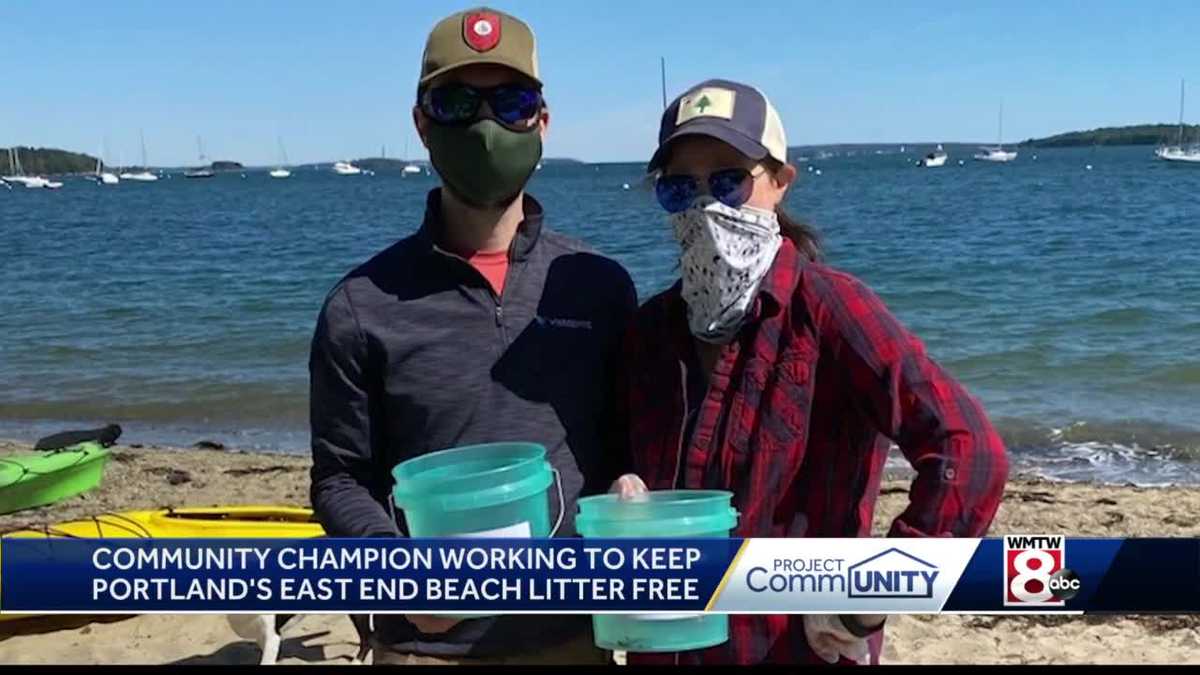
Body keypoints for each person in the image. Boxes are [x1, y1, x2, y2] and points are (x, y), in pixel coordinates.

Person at [611, 79, 1009, 665]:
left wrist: (868, 598)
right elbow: (620, 461)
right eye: (679, 188)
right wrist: (621, 489)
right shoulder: (649, 333)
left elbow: (970, 451)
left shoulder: (829, 311)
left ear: (778, 182)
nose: (705, 206)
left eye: (727, 180)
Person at [309, 7, 636, 666]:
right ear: (421, 123)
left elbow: (626, 441)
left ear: (542, 121)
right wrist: (397, 570)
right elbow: (340, 479)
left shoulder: (600, 287)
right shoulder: (360, 304)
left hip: (572, 639)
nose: (487, 127)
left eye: (512, 102)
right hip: (427, 646)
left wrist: (635, 482)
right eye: (458, 102)